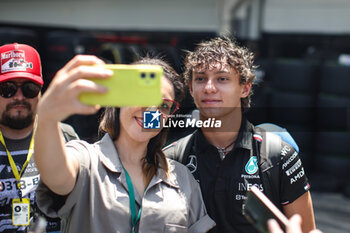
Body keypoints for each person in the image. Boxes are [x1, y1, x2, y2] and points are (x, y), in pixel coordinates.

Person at [33, 55, 215, 233]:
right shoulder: (86, 160)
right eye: (142, 96)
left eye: (163, 105)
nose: (150, 110)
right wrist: (48, 117)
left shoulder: (182, 178)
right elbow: (55, 175)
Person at [163, 37, 316, 233]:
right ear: (191, 89)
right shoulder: (171, 160)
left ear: (245, 88)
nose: (209, 88)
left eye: (222, 78)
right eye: (200, 78)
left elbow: (306, 230)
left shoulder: (279, 156)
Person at [0, 43, 78, 233]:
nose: (19, 97)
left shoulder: (63, 136)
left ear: (41, 92)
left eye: (29, 89)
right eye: (7, 88)